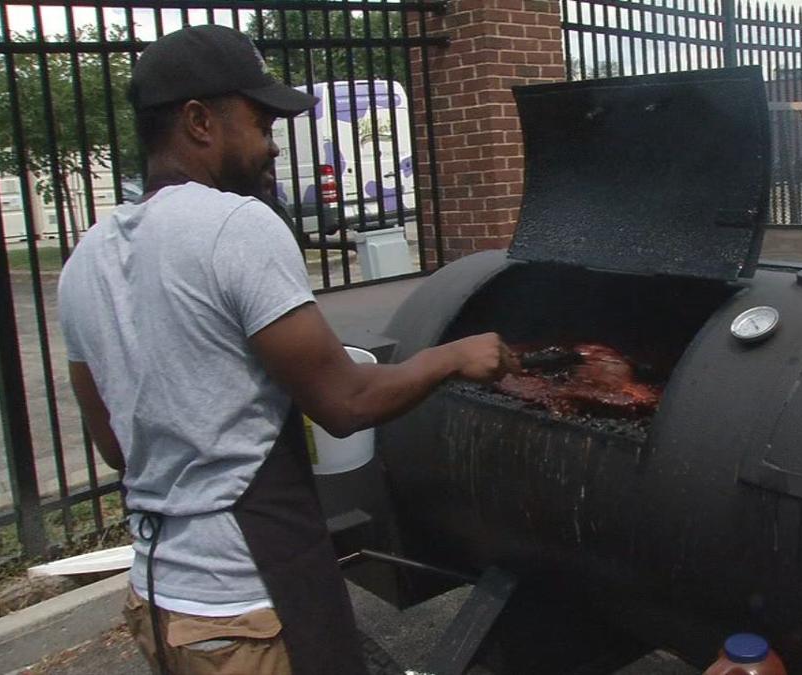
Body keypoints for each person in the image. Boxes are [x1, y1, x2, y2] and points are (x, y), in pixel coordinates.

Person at [58, 24, 517, 675]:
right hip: (249, 607)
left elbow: (113, 443)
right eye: (261, 122)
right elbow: (344, 402)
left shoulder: (85, 261)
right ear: (199, 121)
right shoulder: (235, 226)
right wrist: (453, 356)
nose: (274, 146)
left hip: (163, 603)